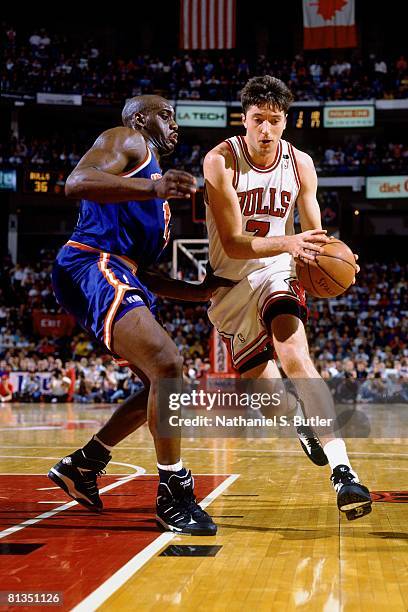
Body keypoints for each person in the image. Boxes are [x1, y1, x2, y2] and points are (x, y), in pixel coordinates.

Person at [48, 95, 229, 535]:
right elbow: (76, 181)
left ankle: (84, 464)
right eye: (165, 115)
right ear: (139, 117)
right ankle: (173, 494)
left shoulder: (155, 188)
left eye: (175, 118)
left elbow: (144, 272)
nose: (174, 125)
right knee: (169, 361)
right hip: (92, 262)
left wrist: (198, 292)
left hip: (119, 269)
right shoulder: (127, 140)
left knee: (158, 378)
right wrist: (152, 187)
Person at [203, 76, 372, 520]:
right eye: (257, 120)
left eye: (273, 121)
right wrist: (292, 242)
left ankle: (344, 472)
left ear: (285, 121)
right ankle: (299, 419)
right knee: (266, 390)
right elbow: (236, 242)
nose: (265, 130)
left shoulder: (301, 164)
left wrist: (328, 254)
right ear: (244, 119)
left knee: (296, 355)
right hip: (231, 282)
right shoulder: (220, 161)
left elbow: (311, 233)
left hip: (279, 272)